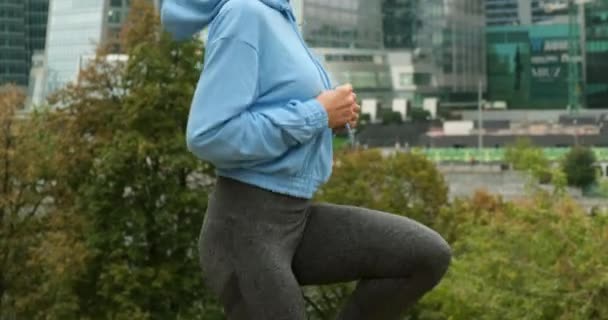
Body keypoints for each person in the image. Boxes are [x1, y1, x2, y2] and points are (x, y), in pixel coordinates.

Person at [161, 0, 451, 319]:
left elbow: (279, 107)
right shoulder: (243, 14)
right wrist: (317, 114)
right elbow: (210, 134)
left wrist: (332, 118)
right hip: (243, 229)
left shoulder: (281, 17)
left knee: (424, 257)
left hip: (296, 220)